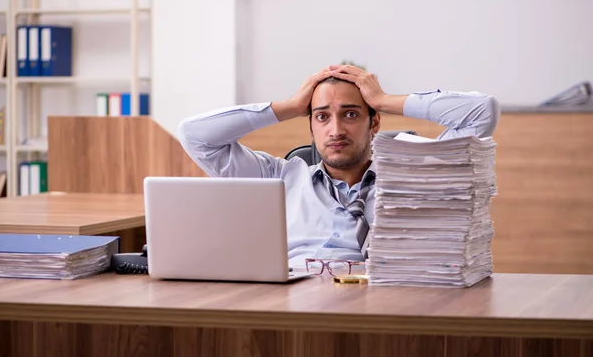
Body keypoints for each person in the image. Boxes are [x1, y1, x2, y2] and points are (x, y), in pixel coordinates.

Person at [178, 64, 500, 267]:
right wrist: (290, 106)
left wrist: (384, 99)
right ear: (311, 126)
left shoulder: (410, 174)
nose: (335, 130)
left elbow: (483, 113)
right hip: (295, 314)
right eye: (322, 116)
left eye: (350, 114)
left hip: (385, 312)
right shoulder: (279, 178)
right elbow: (195, 137)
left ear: (374, 122)